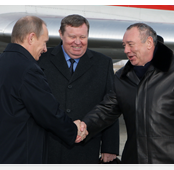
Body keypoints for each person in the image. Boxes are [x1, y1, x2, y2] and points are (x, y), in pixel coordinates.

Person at [83, 23, 174, 170]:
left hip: (173, 164)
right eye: (124, 45)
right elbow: (106, 109)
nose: (126, 50)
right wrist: (84, 125)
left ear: (149, 43)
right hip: (135, 163)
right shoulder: (122, 77)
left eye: (130, 45)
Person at [0, 16, 87, 170]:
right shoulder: (27, 69)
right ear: (31, 38)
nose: (45, 49)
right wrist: (73, 129)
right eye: (44, 42)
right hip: (18, 161)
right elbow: (49, 113)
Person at [38, 14, 119, 170]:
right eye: (72, 36)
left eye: (82, 37)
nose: (78, 42)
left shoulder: (103, 63)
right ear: (61, 34)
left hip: (85, 147)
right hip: (48, 145)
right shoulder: (42, 59)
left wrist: (110, 147)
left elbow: (111, 106)